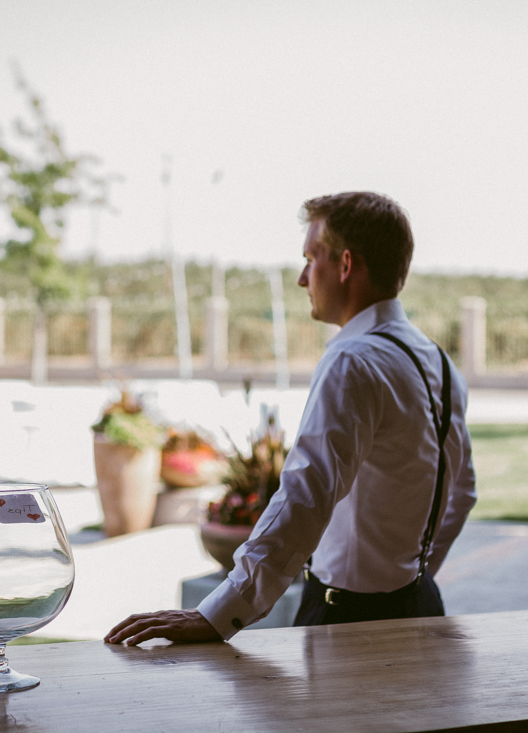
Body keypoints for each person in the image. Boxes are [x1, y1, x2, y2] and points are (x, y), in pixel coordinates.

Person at [105, 191, 476, 646]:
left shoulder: (353, 360)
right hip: (421, 606)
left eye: (309, 258)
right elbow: (463, 490)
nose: (302, 278)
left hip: (348, 622)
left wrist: (218, 614)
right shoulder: (437, 360)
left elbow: (305, 496)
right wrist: (413, 576)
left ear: (344, 265)